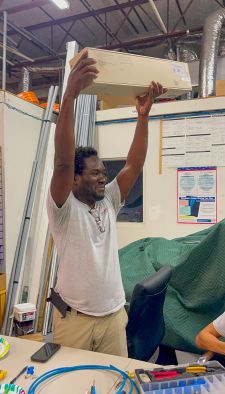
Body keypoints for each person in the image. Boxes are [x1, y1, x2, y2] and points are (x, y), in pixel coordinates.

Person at [47, 48, 164, 356]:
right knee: (72, 385)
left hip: (113, 317)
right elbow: (61, 162)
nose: (102, 178)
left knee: (115, 383)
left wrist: (142, 116)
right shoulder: (63, 209)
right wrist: (70, 98)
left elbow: (133, 166)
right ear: (73, 178)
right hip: (74, 321)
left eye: (103, 172)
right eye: (94, 173)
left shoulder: (108, 201)